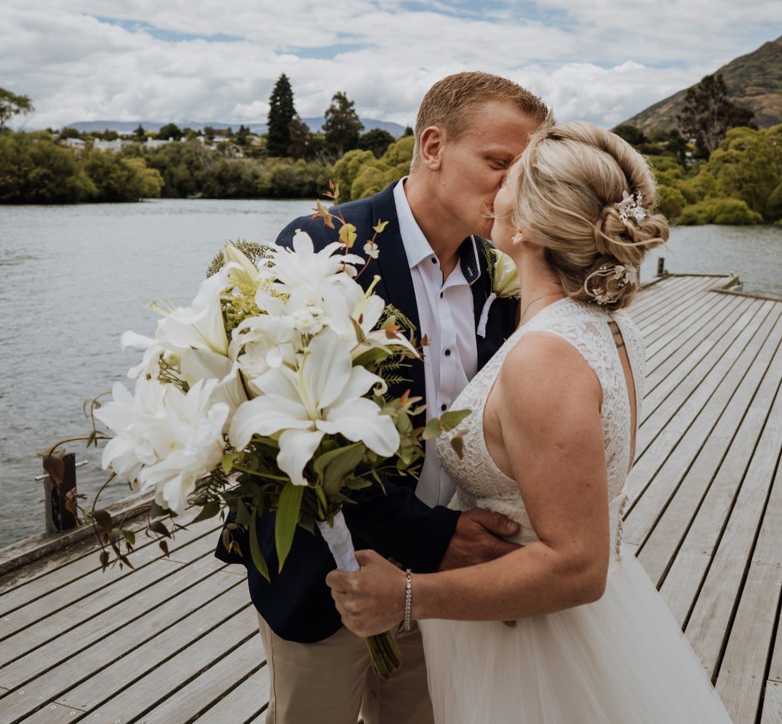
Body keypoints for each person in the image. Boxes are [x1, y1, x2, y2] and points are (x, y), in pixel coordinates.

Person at [327, 122, 735, 723]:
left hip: (535, 646)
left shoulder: (545, 356)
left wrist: (407, 597)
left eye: (509, 179)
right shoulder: (608, 328)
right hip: (537, 617)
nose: (493, 190)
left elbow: (577, 563)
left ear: (524, 228)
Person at [215, 71, 552, 723]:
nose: (515, 189)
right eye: (499, 163)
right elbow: (303, 445)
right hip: (323, 584)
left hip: (438, 591)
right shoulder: (324, 247)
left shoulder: (499, 278)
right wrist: (438, 537)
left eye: (526, 171)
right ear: (432, 146)